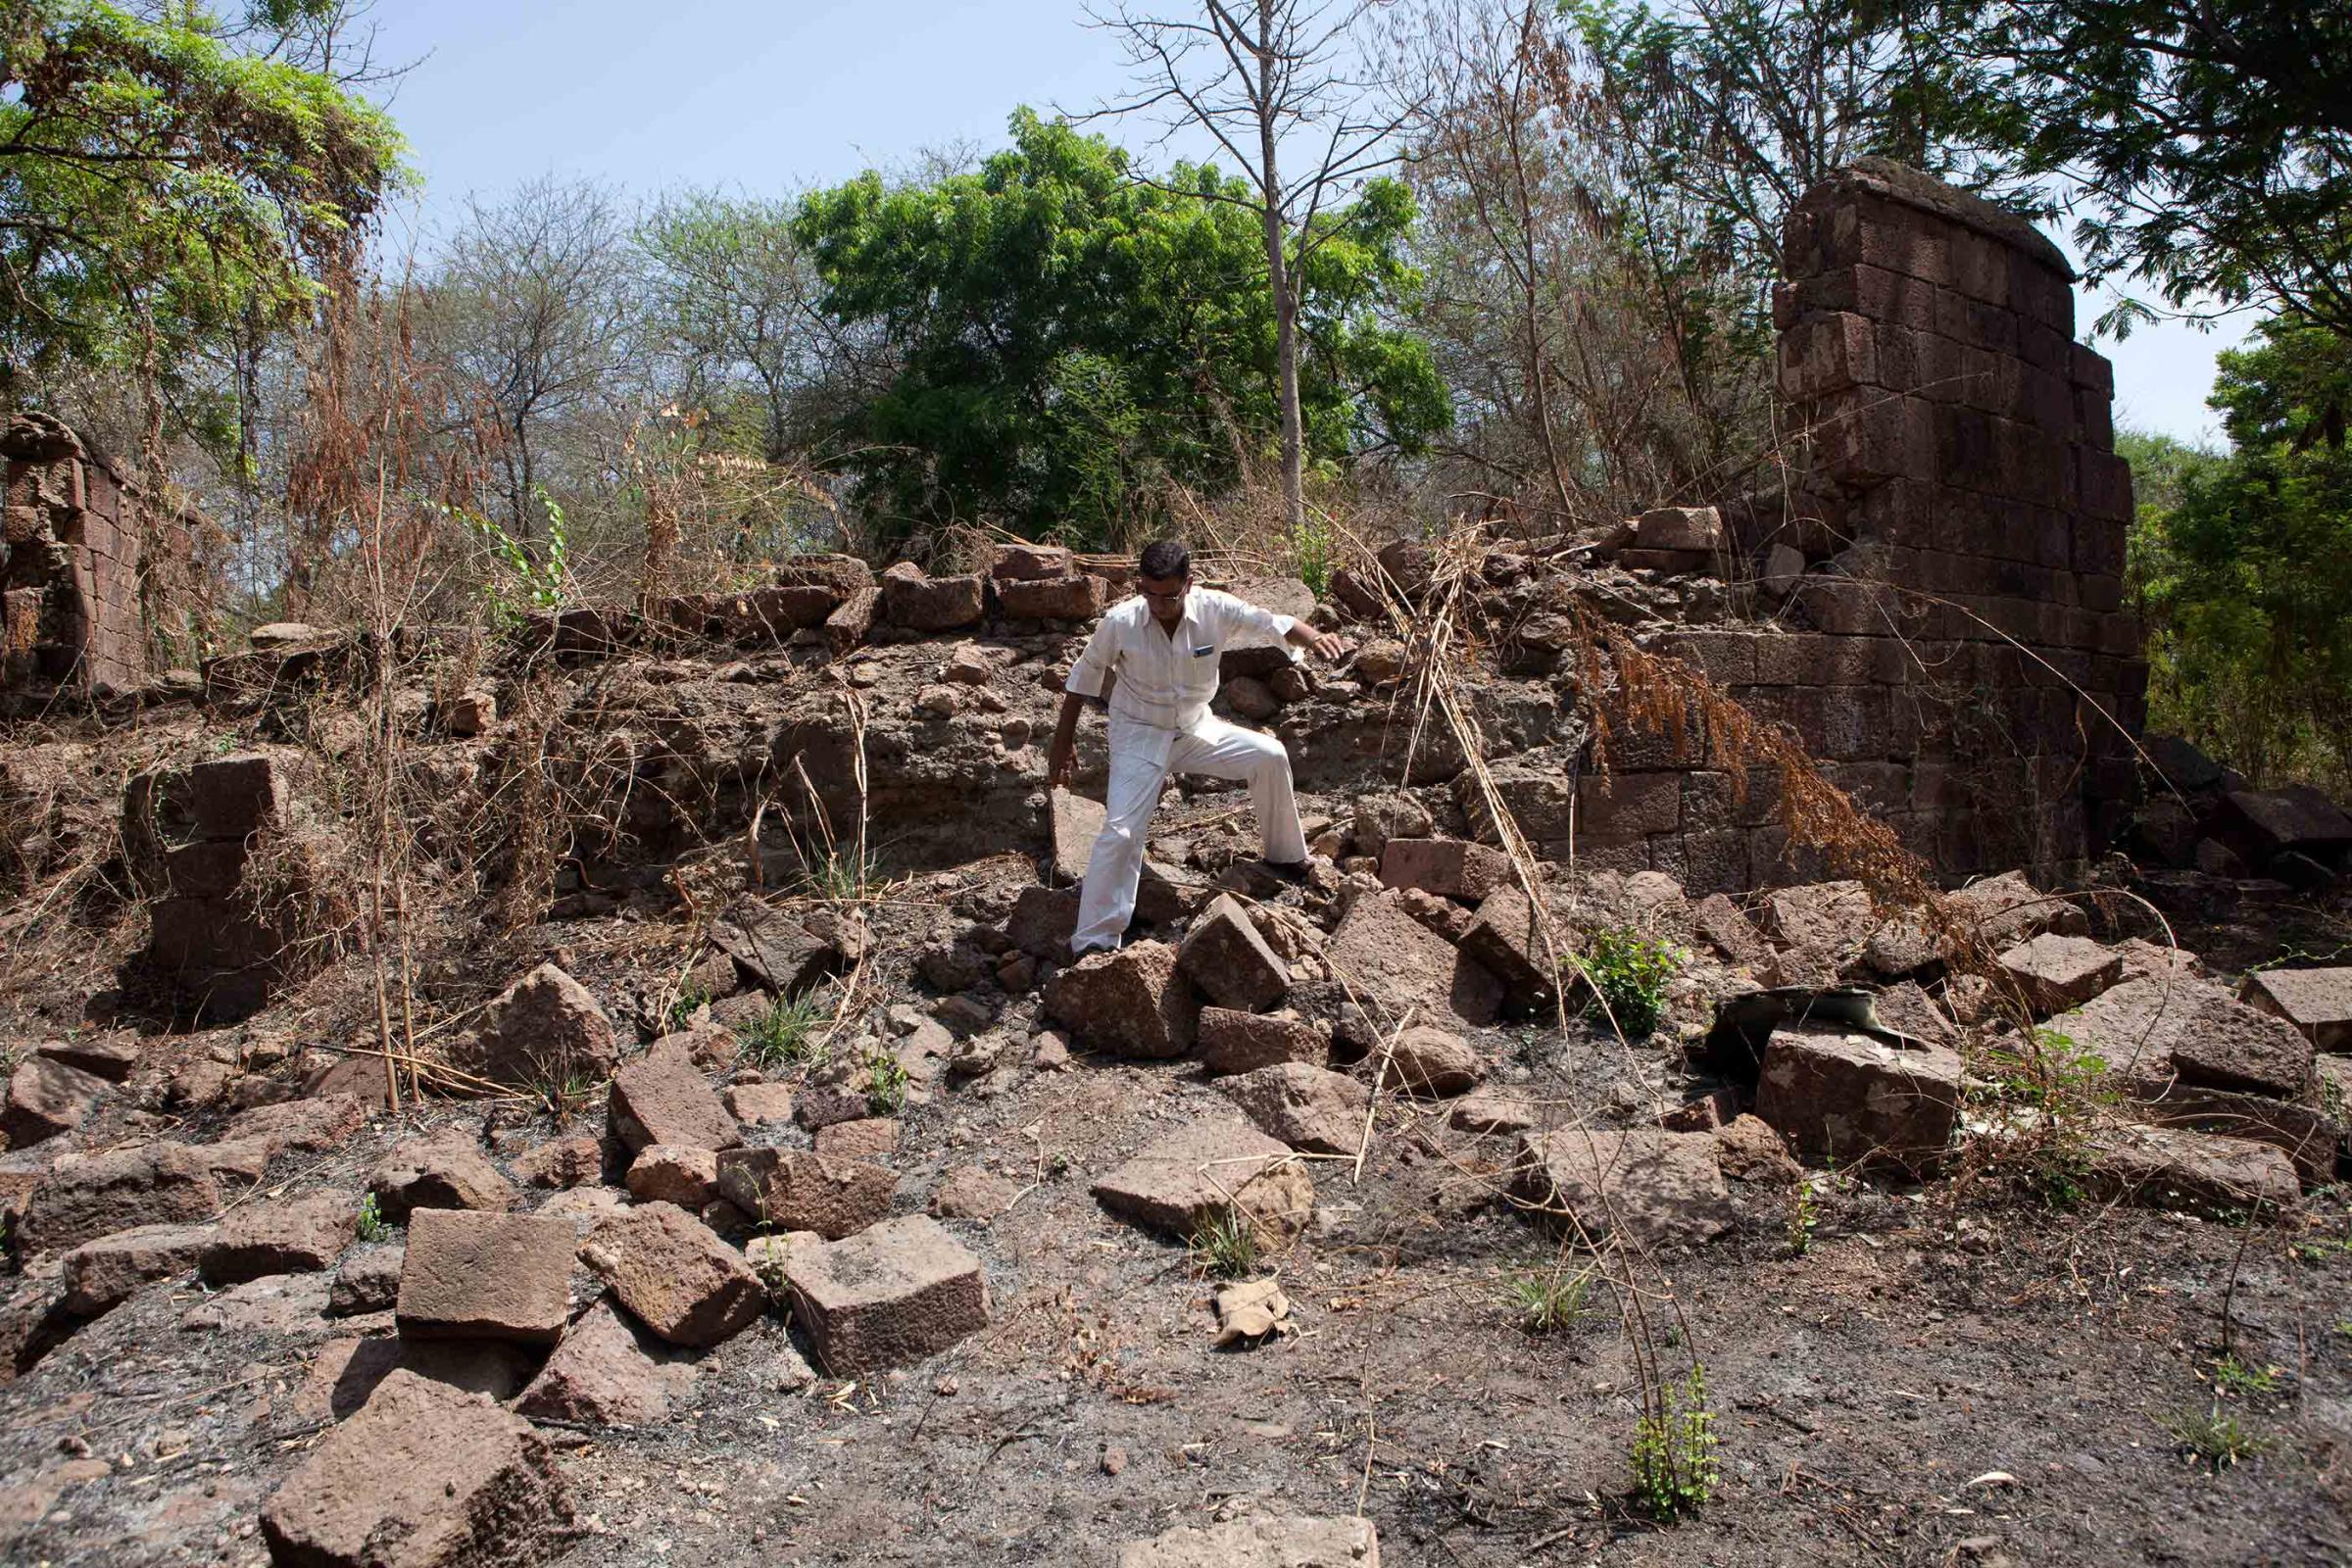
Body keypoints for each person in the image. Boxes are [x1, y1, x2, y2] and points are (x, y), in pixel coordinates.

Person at [1047, 538, 1348, 957]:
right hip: (1139, 734)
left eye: (1168, 595)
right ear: (1140, 585)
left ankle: (1285, 856)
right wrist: (1062, 745)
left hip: (1194, 728)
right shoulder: (1121, 621)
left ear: (1189, 584)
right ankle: (1095, 939)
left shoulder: (1214, 608)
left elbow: (1270, 621)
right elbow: (1083, 678)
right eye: (1148, 593)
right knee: (1120, 831)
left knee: (1270, 756)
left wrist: (1313, 636)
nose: (1157, 604)